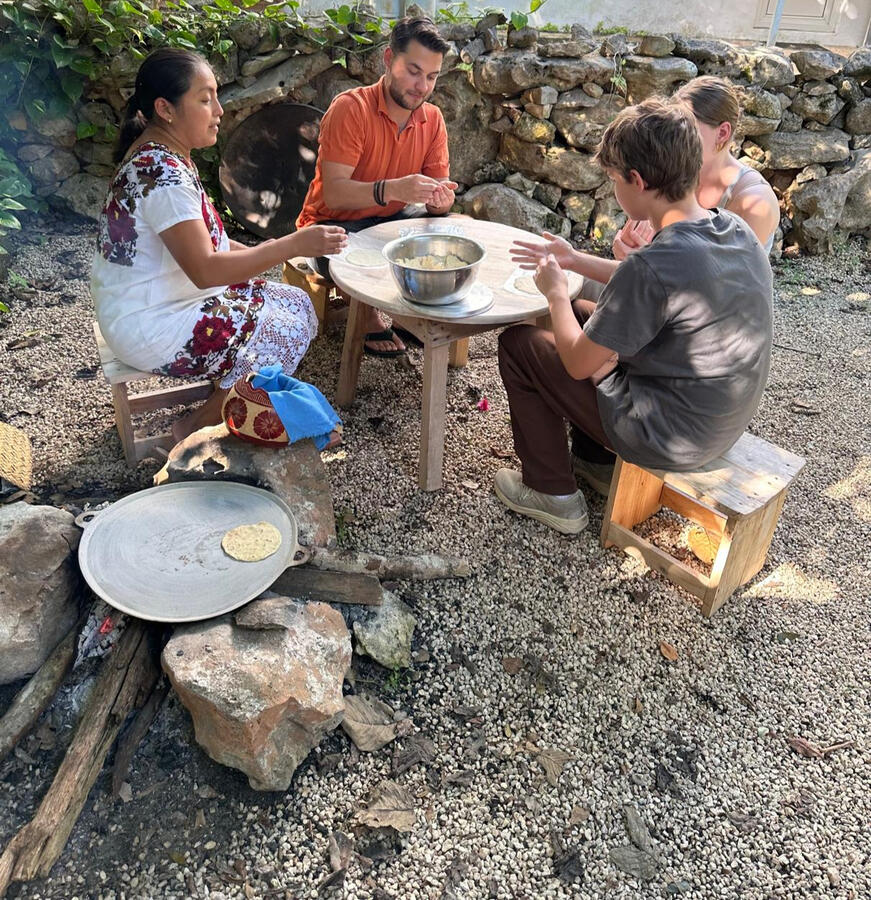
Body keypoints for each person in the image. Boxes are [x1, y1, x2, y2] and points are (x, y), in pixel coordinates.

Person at [496, 97, 773, 535]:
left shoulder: (654, 264)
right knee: (586, 311)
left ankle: (551, 492)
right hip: (719, 421)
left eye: (613, 180)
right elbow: (647, 284)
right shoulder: (730, 227)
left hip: (671, 438)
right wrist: (573, 260)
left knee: (520, 345)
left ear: (637, 180)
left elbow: (576, 362)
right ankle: (596, 462)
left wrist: (552, 294)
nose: (613, 191)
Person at [91, 48, 347, 443]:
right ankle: (193, 429)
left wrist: (289, 250)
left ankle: (228, 390)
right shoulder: (164, 176)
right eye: (205, 98)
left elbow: (212, 241)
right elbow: (206, 268)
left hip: (155, 300)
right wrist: (290, 244)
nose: (219, 110)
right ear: (166, 108)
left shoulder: (163, 155)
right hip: (149, 323)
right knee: (289, 329)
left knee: (295, 303)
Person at [296, 16, 458, 356]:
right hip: (331, 225)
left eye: (431, 76)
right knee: (348, 252)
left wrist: (441, 200)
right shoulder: (350, 109)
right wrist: (393, 189)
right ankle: (368, 313)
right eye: (413, 71)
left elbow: (437, 202)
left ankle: (405, 315)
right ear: (388, 59)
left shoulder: (433, 119)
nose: (422, 86)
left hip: (389, 220)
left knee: (451, 232)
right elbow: (335, 193)